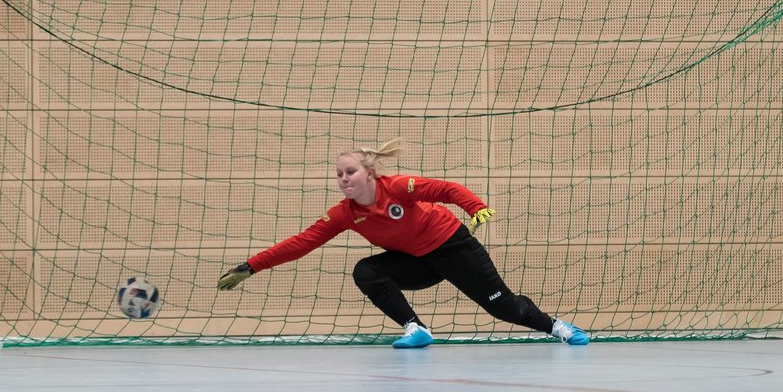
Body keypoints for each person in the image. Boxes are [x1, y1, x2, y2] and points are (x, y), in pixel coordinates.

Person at [216, 139, 590, 348]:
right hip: (417, 262)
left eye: (350, 172)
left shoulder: (398, 187)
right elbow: (302, 242)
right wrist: (252, 265)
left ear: (370, 173)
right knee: (367, 270)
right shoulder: (344, 214)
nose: (344, 178)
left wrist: (475, 207)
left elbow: (445, 189)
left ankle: (558, 327)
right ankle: (416, 328)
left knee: (504, 309)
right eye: (339, 174)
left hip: (453, 248)